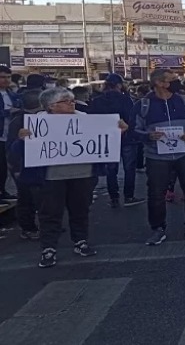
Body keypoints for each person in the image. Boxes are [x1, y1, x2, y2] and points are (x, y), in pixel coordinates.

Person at [14, 88, 127, 268]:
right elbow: (16, 153)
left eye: (72, 100)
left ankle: (81, 241)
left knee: (80, 209)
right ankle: (49, 248)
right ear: (51, 106)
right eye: (65, 101)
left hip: (83, 174)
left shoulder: (87, 119)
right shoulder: (35, 123)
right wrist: (22, 139)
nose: (71, 103)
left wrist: (117, 131)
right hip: (51, 176)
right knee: (50, 213)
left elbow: (106, 141)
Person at [133, 69, 185, 246]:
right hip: (156, 156)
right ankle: (158, 228)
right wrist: (148, 136)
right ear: (160, 83)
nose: (177, 82)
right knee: (156, 194)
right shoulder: (143, 104)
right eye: (172, 79)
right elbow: (134, 130)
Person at [88, 73, 143, 208]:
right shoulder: (126, 99)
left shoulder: (97, 100)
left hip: (107, 138)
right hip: (127, 138)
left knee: (111, 170)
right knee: (129, 168)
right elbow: (131, 118)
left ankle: (114, 198)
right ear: (119, 85)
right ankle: (129, 196)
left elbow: (92, 120)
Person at [7, 89, 43, 240]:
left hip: (38, 164)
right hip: (24, 166)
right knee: (27, 198)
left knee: (42, 198)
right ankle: (28, 228)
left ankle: (43, 225)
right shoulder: (19, 121)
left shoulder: (43, 118)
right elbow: (11, 147)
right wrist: (15, 167)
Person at [0, 66, 20, 204]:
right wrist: (8, 112)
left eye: (8, 77)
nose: (6, 80)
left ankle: (3, 191)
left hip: (10, 134)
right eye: (2, 77)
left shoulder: (12, 94)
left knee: (6, 166)